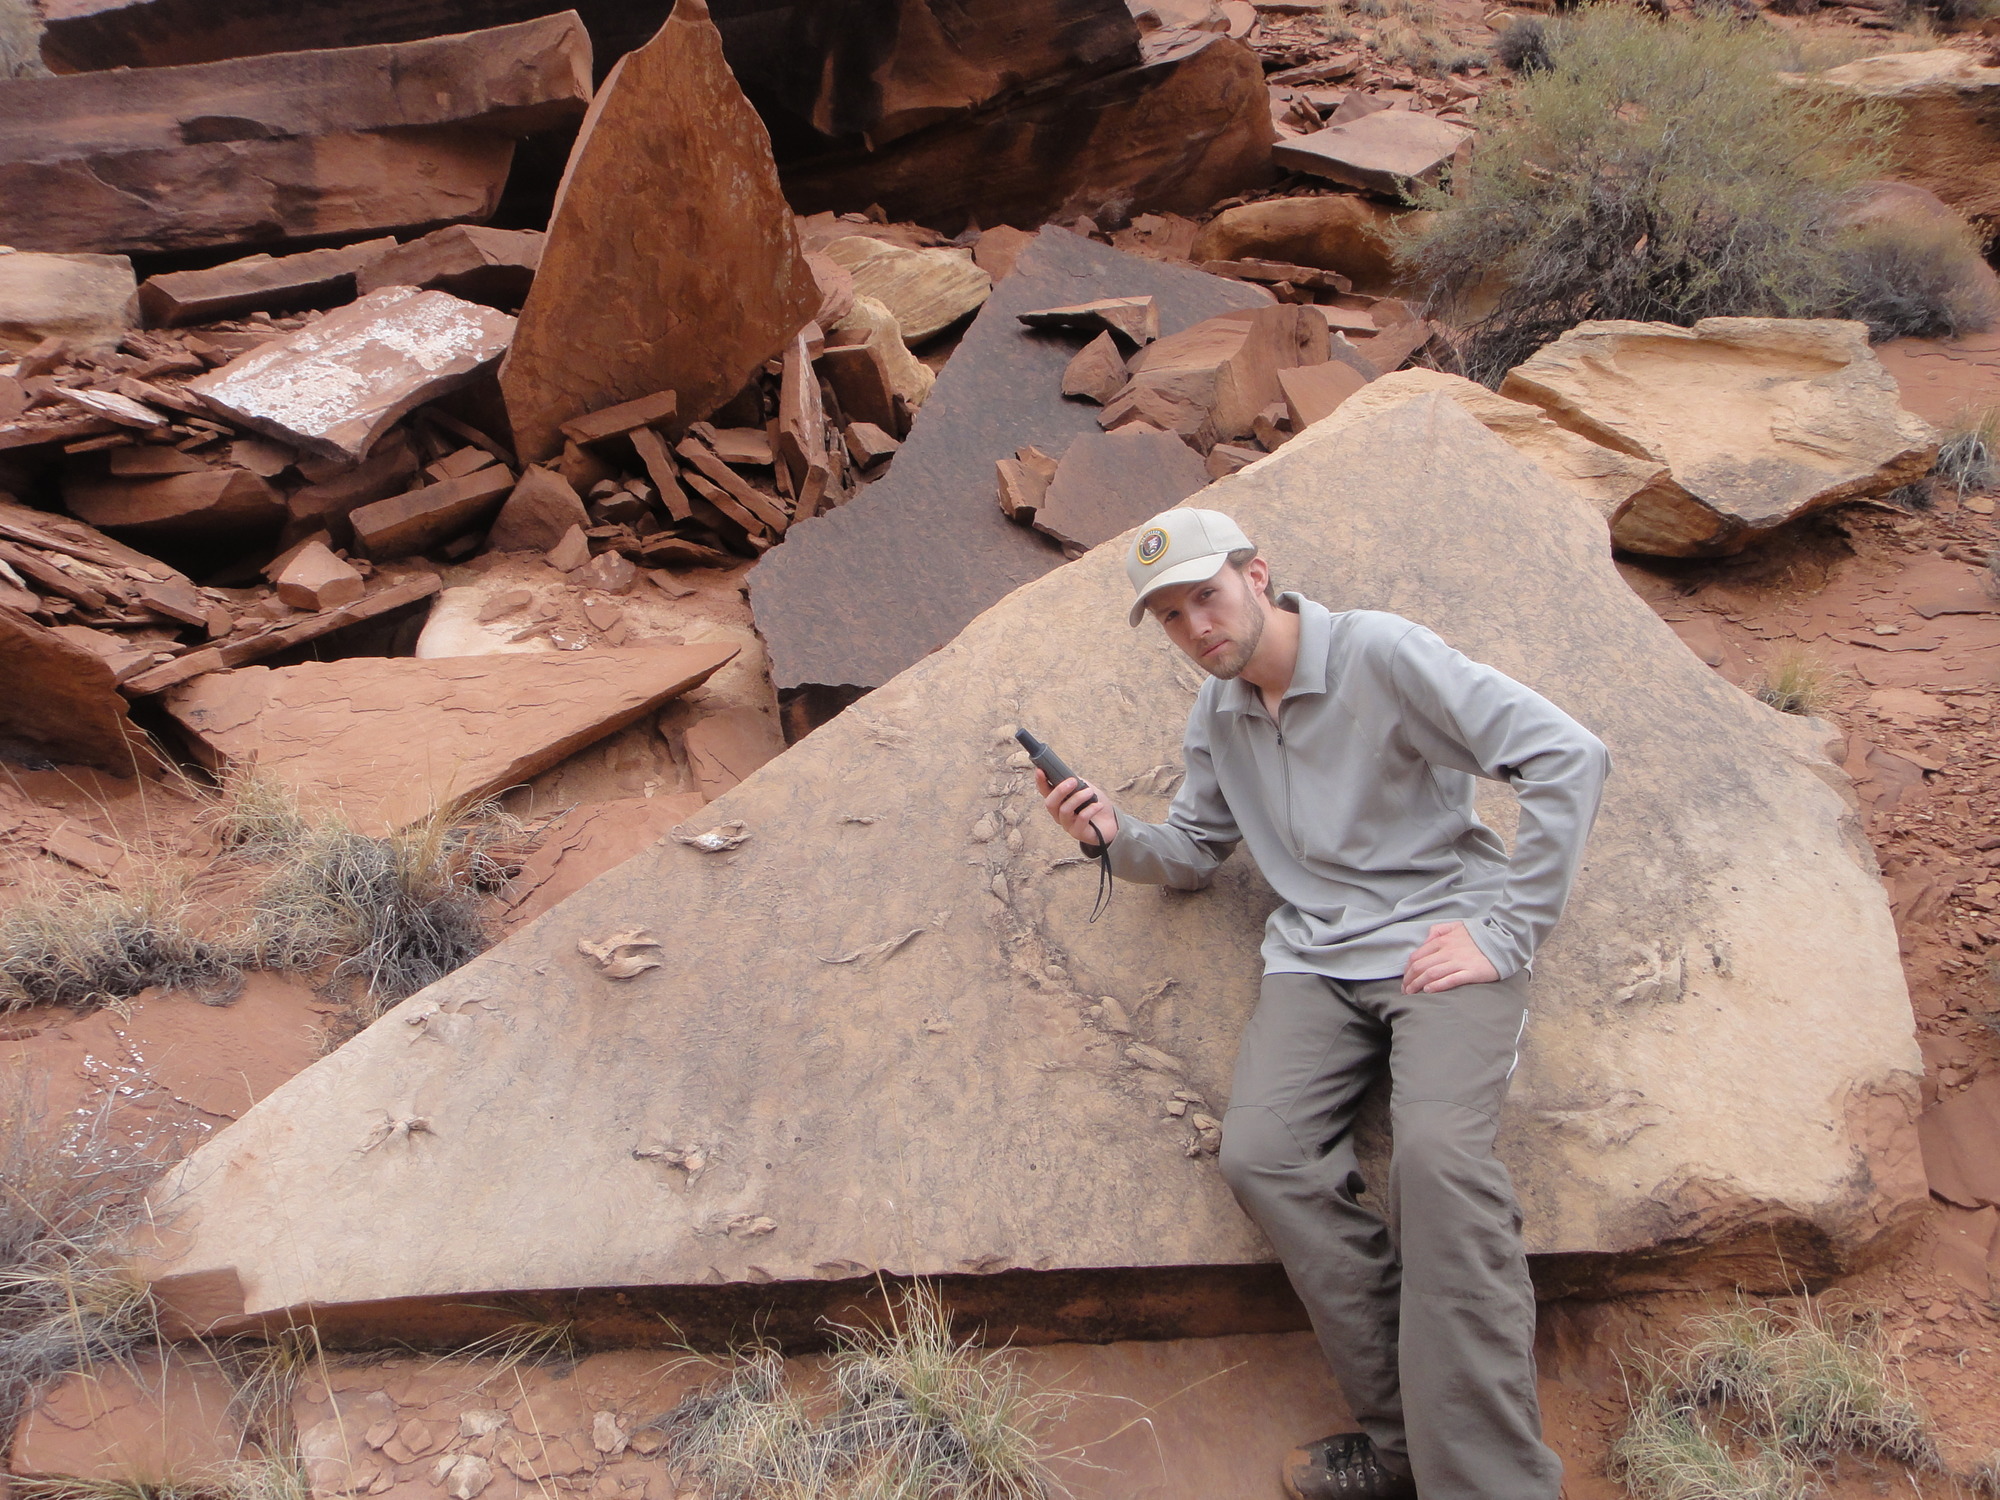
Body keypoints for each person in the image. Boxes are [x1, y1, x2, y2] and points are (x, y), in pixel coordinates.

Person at [1036, 508, 1609, 1500]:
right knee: (1262, 1157)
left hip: (1440, 937)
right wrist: (1108, 835)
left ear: (1258, 576)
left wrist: (1503, 931)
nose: (1195, 629)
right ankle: (1401, 1448)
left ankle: (1489, 1483)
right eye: (1170, 617)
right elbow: (1190, 855)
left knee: (1436, 1164)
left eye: (1205, 598)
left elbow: (1568, 756)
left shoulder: (1378, 654)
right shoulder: (1217, 715)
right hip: (1314, 959)